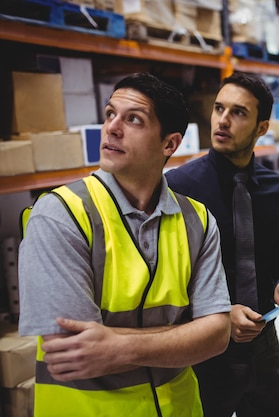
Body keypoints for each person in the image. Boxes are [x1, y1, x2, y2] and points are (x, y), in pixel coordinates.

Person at [17, 72, 232, 416]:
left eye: (134, 119)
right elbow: (73, 355)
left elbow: (218, 334)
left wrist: (118, 346)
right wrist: (183, 335)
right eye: (109, 114)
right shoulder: (61, 215)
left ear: (169, 144)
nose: (112, 128)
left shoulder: (198, 220)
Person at [165, 71, 279, 417]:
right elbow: (168, 276)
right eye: (219, 109)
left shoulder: (275, 189)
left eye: (239, 113)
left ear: (262, 128)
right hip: (204, 349)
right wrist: (219, 312)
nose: (223, 121)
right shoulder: (179, 187)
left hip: (263, 343)